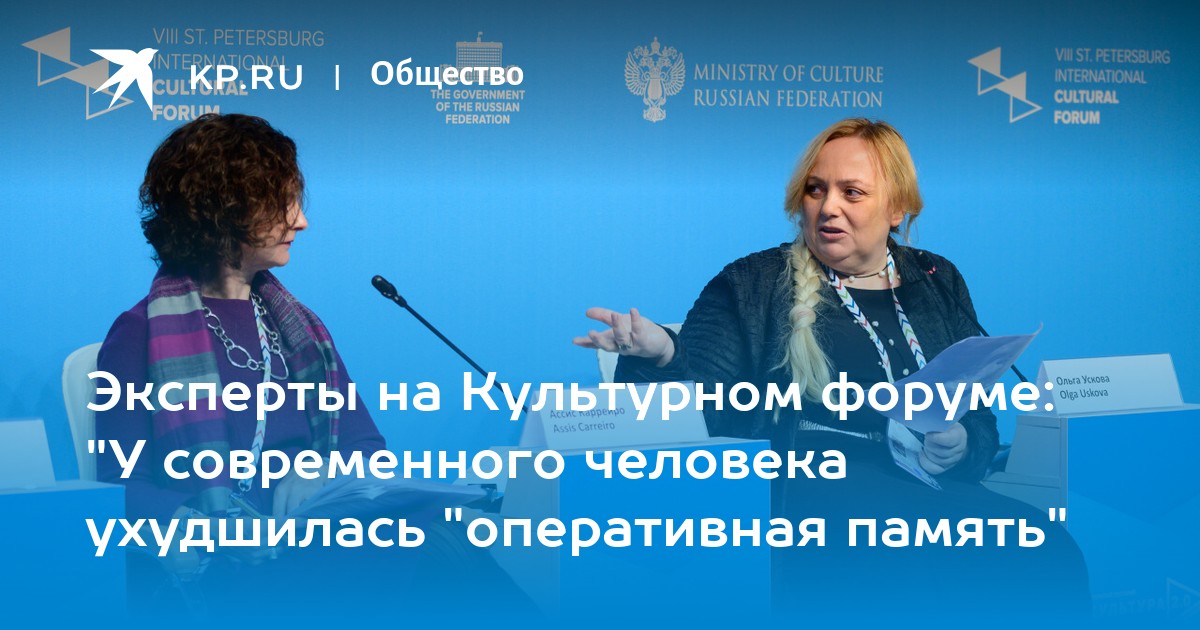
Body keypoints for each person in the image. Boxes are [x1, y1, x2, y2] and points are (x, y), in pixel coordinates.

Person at [575, 118, 1089, 617]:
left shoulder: (937, 279)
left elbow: (976, 416)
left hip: (923, 484)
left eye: (852, 193)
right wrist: (663, 354)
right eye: (816, 189)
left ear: (897, 208)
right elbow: (705, 408)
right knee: (900, 558)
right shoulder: (752, 282)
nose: (828, 207)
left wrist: (961, 443)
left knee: (1046, 547)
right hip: (811, 488)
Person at [96, 114, 528, 618]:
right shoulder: (139, 334)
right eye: (282, 203)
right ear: (223, 209)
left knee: (436, 536)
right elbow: (118, 489)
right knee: (433, 556)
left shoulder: (300, 329)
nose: (301, 222)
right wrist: (211, 531)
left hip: (324, 541)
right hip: (231, 566)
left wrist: (322, 469)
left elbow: (367, 451)